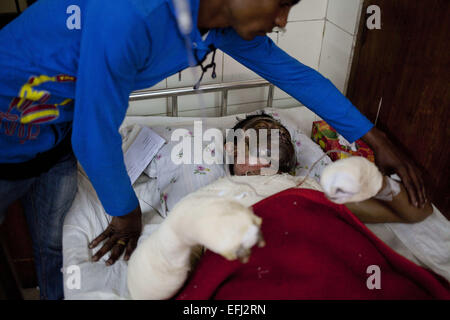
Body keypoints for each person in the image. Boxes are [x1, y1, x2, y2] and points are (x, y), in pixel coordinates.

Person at [0, 0, 427, 299]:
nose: (281, 20)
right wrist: (125, 212)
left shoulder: (216, 25)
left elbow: (298, 77)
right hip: (9, 121)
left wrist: (376, 141)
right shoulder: (131, 12)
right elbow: (96, 139)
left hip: (59, 130)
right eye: (281, 3)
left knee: (51, 246)